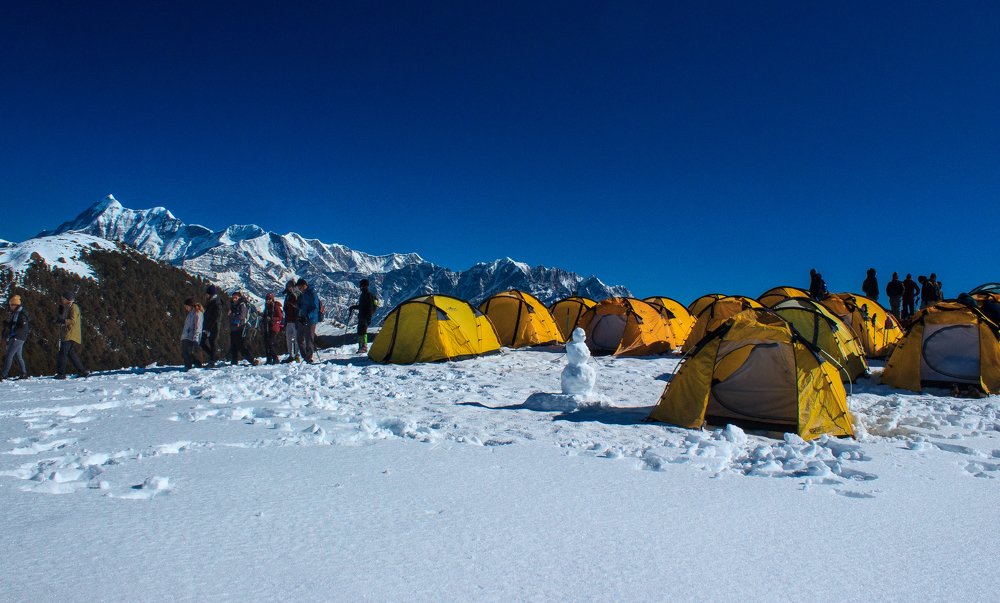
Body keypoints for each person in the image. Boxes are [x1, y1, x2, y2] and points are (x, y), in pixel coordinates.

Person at [55, 291, 89, 379]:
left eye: (63, 299)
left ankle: (61, 373)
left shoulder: (74, 307)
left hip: (71, 333)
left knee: (63, 352)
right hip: (68, 333)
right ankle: (82, 371)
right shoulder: (66, 307)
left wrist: (62, 321)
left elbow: (73, 320)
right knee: (70, 353)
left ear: (68, 300)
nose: (62, 300)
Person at [2, 295, 30, 380]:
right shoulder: (18, 313)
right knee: (18, 356)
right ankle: (24, 373)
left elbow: (22, 325)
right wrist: (8, 324)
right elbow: (15, 324)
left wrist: (12, 332)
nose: (10, 307)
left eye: (11, 305)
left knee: (9, 355)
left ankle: (3, 374)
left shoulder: (21, 314)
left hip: (18, 337)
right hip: (20, 337)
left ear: (15, 305)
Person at [228, 291, 259, 366]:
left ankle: (251, 359)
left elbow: (242, 316)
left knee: (240, 345)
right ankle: (234, 361)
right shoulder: (234, 305)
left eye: (235, 298)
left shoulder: (242, 305)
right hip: (234, 327)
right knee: (234, 345)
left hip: (240, 327)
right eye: (233, 298)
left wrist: (232, 316)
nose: (234, 299)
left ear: (239, 297)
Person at [349, 278, 376, 353]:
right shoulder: (364, 294)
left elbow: (369, 307)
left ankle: (363, 347)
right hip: (362, 316)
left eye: (361, 285)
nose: (360, 287)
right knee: (360, 331)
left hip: (364, 317)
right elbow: (362, 306)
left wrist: (369, 317)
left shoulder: (367, 295)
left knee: (363, 332)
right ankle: (361, 346)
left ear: (364, 286)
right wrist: (353, 307)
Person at [201, 285, 224, 367]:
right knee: (203, 342)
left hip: (213, 327)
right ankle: (214, 357)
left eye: (207, 294)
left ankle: (213, 360)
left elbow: (216, 317)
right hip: (208, 326)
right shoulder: (211, 301)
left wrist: (209, 328)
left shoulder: (216, 302)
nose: (205, 295)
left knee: (213, 343)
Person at [296, 278, 319, 363]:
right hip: (303, 318)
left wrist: (308, 316)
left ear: (304, 286)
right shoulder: (303, 294)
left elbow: (315, 307)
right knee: (299, 338)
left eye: (299, 287)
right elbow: (302, 306)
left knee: (309, 337)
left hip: (311, 319)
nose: (299, 289)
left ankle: (309, 357)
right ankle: (304, 355)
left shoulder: (312, 293)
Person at [180, 298, 204, 371]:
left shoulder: (197, 313)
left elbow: (198, 326)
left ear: (190, 305)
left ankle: (193, 365)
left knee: (188, 352)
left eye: (186, 306)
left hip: (191, 336)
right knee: (185, 353)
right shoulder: (190, 313)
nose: (186, 308)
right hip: (186, 336)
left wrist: (196, 337)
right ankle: (188, 365)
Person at [262, 293, 284, 365]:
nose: (268, 300)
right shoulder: (267, 306)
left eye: (269, 299)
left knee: (270, 343)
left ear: (272, 299)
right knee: (266, 343)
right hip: (267, 326)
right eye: (267, 299)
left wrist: (272, 319)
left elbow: (280, 317)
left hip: (274, 327)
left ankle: (275, 358)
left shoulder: (276, 306)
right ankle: (269, 359)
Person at [282, 280, 301, 363]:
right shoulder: (288, 295)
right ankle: (291, 355)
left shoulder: (296, 294)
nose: (288, 288)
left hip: (295, 319)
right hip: (289, 319)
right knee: (289, 338)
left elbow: (299, 306)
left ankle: (297, 355)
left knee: (296, 339)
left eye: (289, 286)